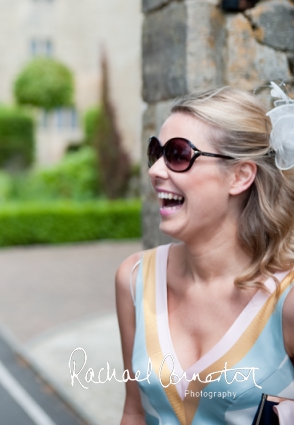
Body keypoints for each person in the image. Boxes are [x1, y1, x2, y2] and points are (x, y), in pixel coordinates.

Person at [116, 86, 294, 424]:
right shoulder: (135, 277)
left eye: (178, 154)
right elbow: (134, 411)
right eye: (156, 152)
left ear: (240, 176)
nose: (155, 170)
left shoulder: (288, 300)